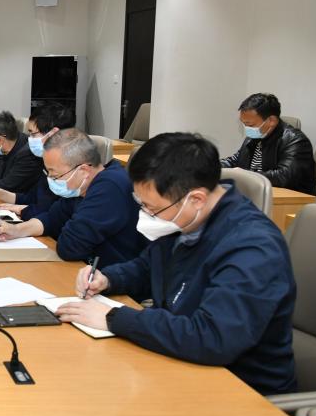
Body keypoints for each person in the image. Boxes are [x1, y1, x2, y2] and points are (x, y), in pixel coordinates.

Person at [61, 133, 297, 395]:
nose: (147, 215)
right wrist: (108, 279)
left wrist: (115, 318)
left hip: (241, 390)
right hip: (180, 364)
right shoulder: (188, 217)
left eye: (153, 208)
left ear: (196, 199)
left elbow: (214, 338)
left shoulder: (253, 247)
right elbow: (148, 268)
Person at [0, 128, 145, 268]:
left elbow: (70, 247)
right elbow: (51, 218)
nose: (50, 180)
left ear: (83, 170)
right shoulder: (81, 188)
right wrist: (16, 230)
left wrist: (63, 228)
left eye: (55, 175)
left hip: (113, 281)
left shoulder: (110, 187)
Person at [0, 102, 73, 217]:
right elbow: (31, 198)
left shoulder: (71, 169)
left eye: (32, 134)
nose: (29, 139)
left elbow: (52, 214)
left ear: (52, 134)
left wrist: (23, 210)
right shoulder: (46, 161)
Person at [220, 93, 316, 195]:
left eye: (250, 124)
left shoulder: (296, 141)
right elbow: (236, 160)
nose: (246, 129)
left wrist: (243, 174)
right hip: (259, 194)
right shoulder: (255, 136)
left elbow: (283, 177)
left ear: (271, 121)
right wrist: (214, 166)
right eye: (243, 124)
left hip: (290, 200)